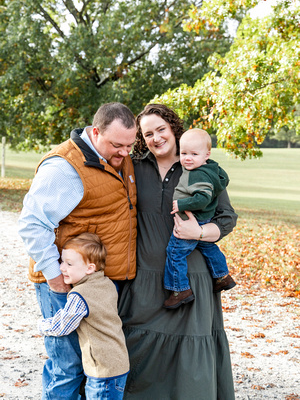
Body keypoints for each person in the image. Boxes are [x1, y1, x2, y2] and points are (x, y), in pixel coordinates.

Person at [118, 103, 237, 399]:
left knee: (190, 366)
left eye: (161, 129)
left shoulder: (202, 167)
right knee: (136, 358)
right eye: (148, 134)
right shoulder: (132, 166)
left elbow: (226, 218)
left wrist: (198, 232)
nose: (156, 138)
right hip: (143, 278)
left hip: (192, 280)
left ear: (173, 129)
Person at [18, 102, 137, 399]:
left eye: (130, 146)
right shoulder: (64, 167)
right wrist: (55, 277)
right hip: (67, 283)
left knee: (97, 366)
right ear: (95, 132)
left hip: (98, 284)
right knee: (68, 367)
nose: (124, 153)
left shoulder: (119, 156)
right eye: (117, 145)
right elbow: (32, 223)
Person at [38, 232, 129, 400]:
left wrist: (43, 325)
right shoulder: (107, 283)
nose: (62, 267)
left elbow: (63, 326)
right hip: (118, 365)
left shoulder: (79, 295)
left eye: (69, 264)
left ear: (90, 268)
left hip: (101, 371)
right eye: (62, 261)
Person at [163, 128, 236, 309]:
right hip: (203, 219)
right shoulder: (211, 169)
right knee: (208, 247)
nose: (188, 158)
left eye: (194, 154)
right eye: (184, 153)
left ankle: (180, 290)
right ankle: (222, 276)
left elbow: (202, 199)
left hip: (192, 221)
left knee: (175, 253)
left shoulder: (198, 173)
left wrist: (182, 204)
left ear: (206, 155)